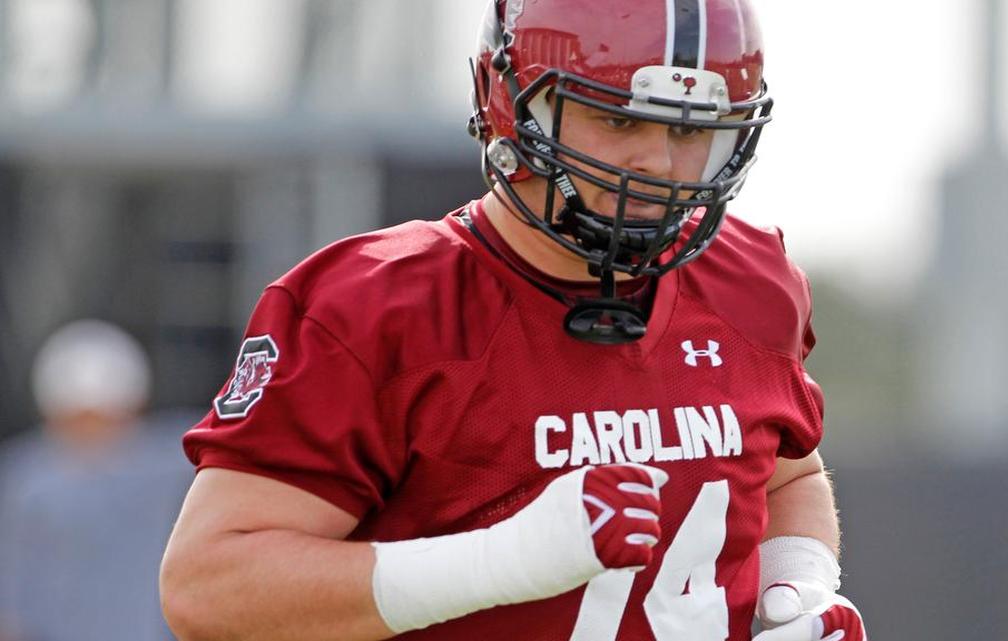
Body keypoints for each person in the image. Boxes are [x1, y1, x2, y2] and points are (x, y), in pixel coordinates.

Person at [160, 1, 868, 639]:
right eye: (619, 118)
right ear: (511, 101)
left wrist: (794, 586)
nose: (658, 164)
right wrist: (504, 559)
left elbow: (783, 477)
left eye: (691, 130)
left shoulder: (752, 279)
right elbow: (208, 587)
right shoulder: (378, 307)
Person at [0, 320, 191, 641]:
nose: (92, 435)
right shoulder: (26, 479)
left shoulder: (172, 462)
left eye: (103, 419)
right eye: (79, 421)